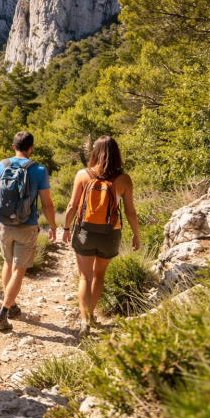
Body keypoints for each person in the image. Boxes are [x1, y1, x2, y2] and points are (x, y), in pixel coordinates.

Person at [62, 136, 140, 338]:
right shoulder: (124, 179)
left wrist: (66, 227)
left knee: (84, 277)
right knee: (99, 275)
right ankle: (90, 314)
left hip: (85, 232)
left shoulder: (83, 174)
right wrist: (136, 234)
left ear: (94, 152)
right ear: (116, 153)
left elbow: (72, 206)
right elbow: (130, 212)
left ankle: (84, 322)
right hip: (110, 234)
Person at [0, 131, 57, 331]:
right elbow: (47, 204)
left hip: (3, 223)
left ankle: (11, 305)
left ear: (13, 146)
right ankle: (3, 312)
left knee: (7, 263)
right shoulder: (39, 170)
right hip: (26, 224)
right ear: (31, 147)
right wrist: (54, 226)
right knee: (19, 269)